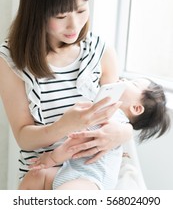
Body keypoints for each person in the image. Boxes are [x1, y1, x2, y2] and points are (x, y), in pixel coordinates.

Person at [0, 0, 133, 190]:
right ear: (37, 12)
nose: (74, 25)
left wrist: (123, 133)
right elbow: (23, 136)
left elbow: (117, 116)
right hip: (40, 174)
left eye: (81, 11)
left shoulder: (101, 52)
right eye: (61, 16)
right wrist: (65, 125)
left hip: (89, 170)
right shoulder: (10, 60)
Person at [29, 77, 170, 190]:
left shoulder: (114, 117)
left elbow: (80, 142)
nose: (123, 80)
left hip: (91, 181)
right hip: (72, 171)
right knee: (35, 176)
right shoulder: (111, 114)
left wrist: (52, 158)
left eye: (133, 84)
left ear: (136, 108)